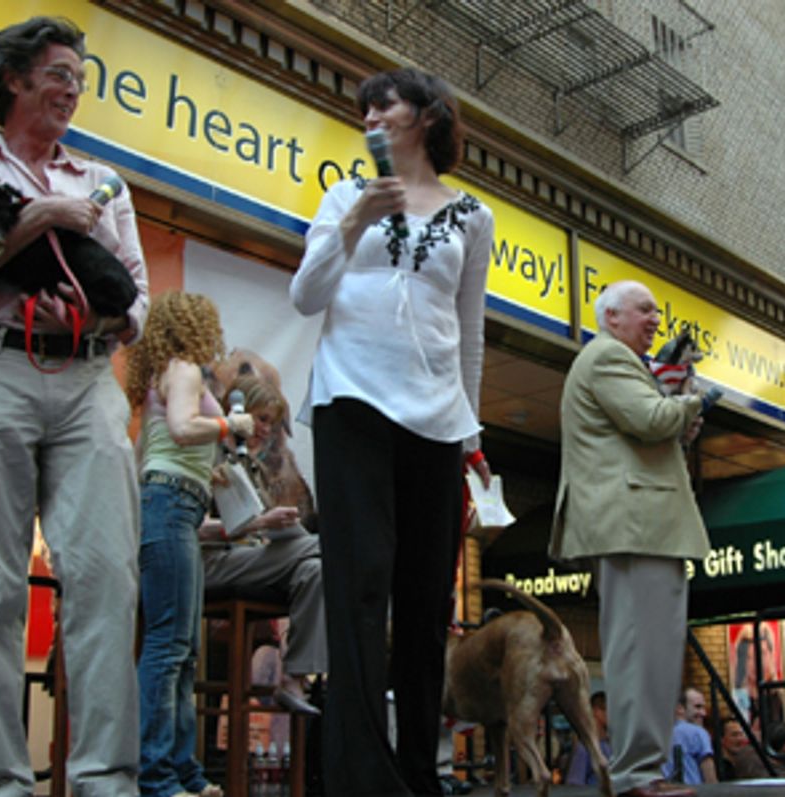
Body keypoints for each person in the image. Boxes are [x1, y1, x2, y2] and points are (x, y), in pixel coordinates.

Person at [0, 16, 149, 795]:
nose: (72, 89)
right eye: (58, 73)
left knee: (107, 577)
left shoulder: (104, 181)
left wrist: (90, 320)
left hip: (86, 380)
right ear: (13, 79)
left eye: (79, 78)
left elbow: (138, 303)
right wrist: (39, 220)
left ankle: (105, 777)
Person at [290, 67, 494, 797]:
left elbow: (469, 332)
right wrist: (353, 222)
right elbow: (304, 294)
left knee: (424, 595)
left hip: (438, 418)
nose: (371, 113)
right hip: (351, 404)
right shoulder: (345, 195)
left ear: (429, 115)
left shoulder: (474, 215)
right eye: (363, 104)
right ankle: (357, 776)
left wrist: (472, 434)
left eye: (386, 102)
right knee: (358, 585)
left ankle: (419, 770)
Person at [549, 280, 707, 797]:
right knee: (643, 650)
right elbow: (649, 419)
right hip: (637, 523)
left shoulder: (612, 361)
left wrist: (674, 408)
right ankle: (640, 772)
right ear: (611, 315)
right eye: (645, 310)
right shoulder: (609, 358)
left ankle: (643, 768)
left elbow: (646, 427)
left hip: (639, 523)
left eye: (657, 311)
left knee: (648, 649)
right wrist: (690, 400)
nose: (655, 320)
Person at [125, 292, 251, 797]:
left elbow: (148, 454)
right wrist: (229, 425)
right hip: (172, 503)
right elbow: (182, 428)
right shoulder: (184, 370)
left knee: (182, 648)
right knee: (169, 645)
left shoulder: (162, 374)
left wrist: (205, 473)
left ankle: (182, 771)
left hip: (170, 503)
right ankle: (158, 775)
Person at [200, 373, 327, 715]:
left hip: (249, 560)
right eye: (261, 419)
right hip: (210, 564)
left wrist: (276, 527)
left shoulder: (252, 466)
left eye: (271, 423)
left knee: (316, 570)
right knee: (329, 553)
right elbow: (188, 527)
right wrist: (259, 523)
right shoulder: (206, 453)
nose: (266, 430)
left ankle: (295, 677)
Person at [663, 688, 717, 785]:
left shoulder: (660, 734)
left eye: (703, 708)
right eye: (697, 707)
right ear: (680, 708)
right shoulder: (698, 732)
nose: (703, 713)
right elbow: (711, 781)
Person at [565, 692, 613, 786]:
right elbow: (575, 784)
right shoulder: (584, 749)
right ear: (596, 711)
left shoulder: (611, 746)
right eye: (607, 710)